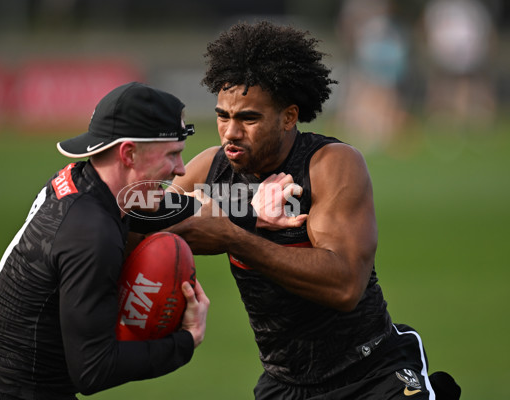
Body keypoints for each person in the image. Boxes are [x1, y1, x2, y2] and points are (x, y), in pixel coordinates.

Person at [163, 21, 460, 399]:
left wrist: (233, 235)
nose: (230, 133)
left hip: (371, 376)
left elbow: (344, 285)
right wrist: (245, 215)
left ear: (289, 117)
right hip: (284, 384)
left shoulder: (330, 165)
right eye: (223, 116)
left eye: (248, 118)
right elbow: (146, 217)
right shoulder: (212, 169)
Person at [0, 82, 210, 400]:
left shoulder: (84, 181)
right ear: (129, 153)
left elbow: (160, 205)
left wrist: (249, 207)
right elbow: (93, 369)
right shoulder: (93, 234)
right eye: (172, 155)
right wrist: (186, 341)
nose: (181, 169)